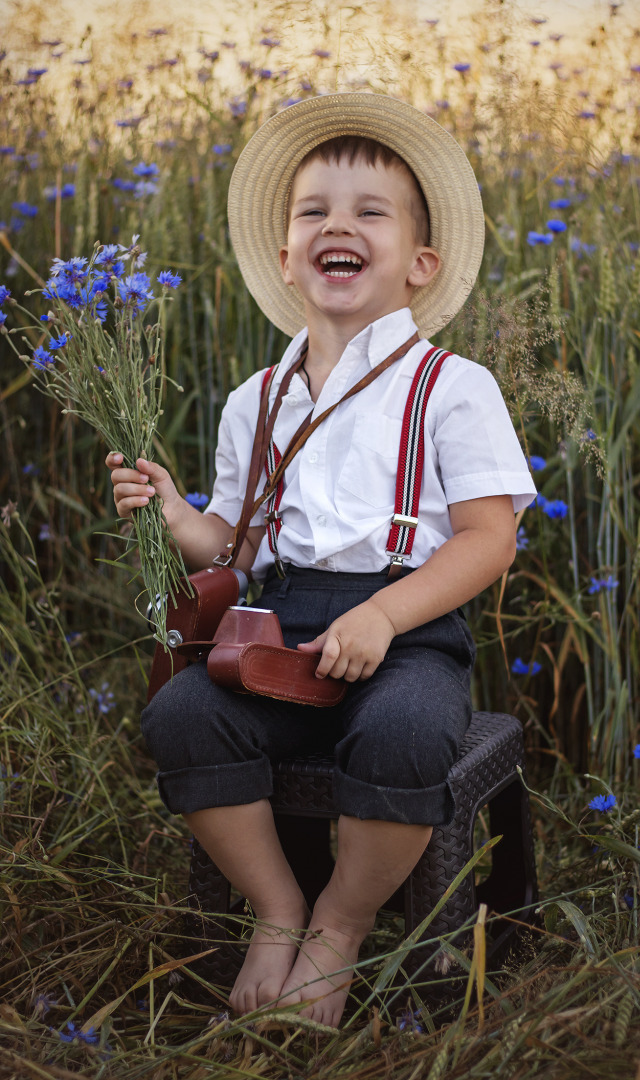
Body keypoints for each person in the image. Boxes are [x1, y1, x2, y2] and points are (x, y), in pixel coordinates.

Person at [106, 93, 536, 1028]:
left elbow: (489, 539)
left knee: (406, 732)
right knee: (181, 713)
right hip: (278, 625)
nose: (338, 225)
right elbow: (235, 543)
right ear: (288, 258)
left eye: (370, 212)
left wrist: (385, 616)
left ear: (421, 264)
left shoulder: (453, 388)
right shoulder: (253, 400)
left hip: (407, 625)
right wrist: (176, 513)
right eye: (314, 212)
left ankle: (339, 927)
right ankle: (278, 909)